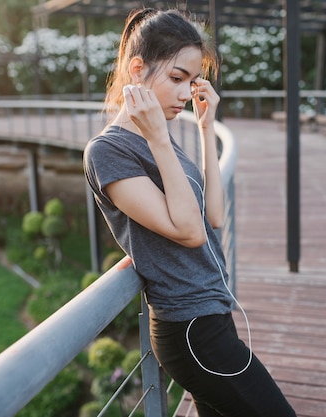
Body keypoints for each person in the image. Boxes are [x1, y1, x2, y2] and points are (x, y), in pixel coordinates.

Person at [83, 8, 296, 417]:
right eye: (176, 78)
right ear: (137, 69)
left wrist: (204, 126)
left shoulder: (163, 139)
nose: (185, 94)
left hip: (212, 315)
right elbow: (189, 232)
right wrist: (160, 138)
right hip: (190, 329)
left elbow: (211, 215)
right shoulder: (109, 151)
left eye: (192, 82)